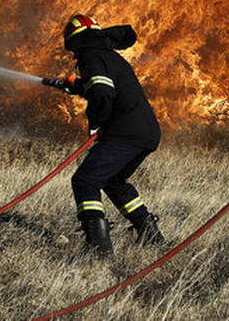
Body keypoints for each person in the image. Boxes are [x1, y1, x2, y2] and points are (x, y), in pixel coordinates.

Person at [55, 14, 165, 256]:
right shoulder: (107, 55)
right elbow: (100, 86)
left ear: (75, 41)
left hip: (125, 132)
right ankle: (150, 235)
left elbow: (103, 93)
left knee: (85, 180)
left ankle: (99, 249)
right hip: (146, 132)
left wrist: (96, 122)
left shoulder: (90, 56)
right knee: (113, 181)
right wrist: (77, 86)